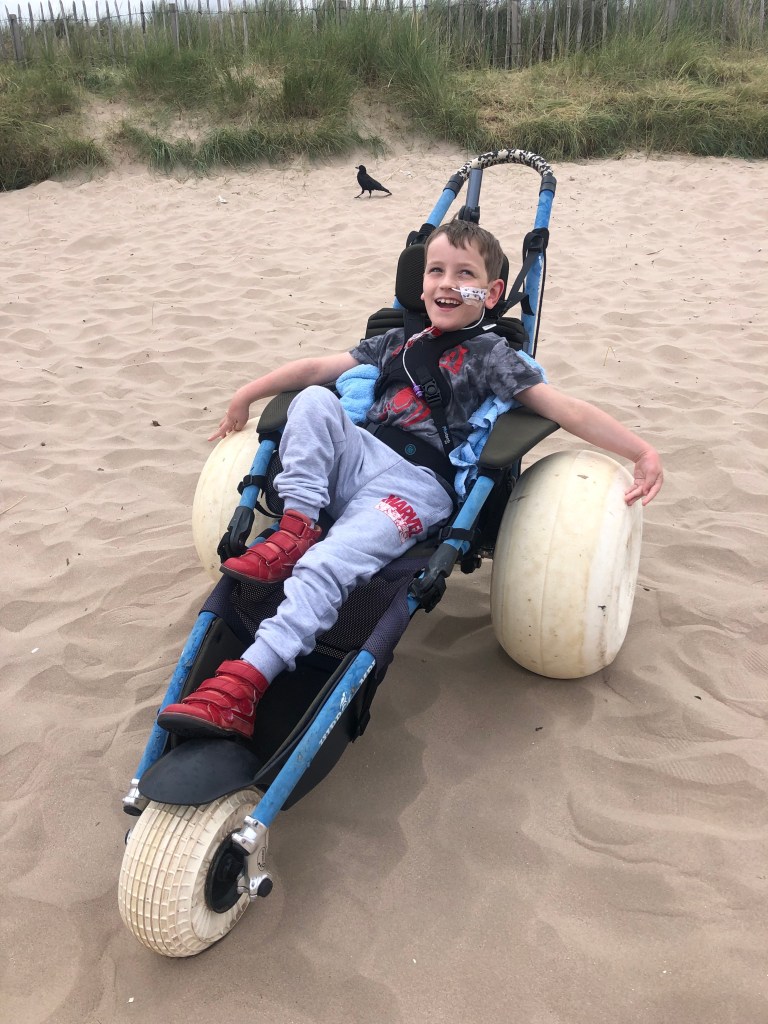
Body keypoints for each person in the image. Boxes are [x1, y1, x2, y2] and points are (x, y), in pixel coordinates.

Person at [158, 219, 663, 741]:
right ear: (420, 284)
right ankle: (296, 526)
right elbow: (314, 368)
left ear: (491, 294)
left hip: (415, 486)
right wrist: (246, 392)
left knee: (328, 563)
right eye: (436, 271)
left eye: (464, 274)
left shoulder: (494, 358)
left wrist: (640, 450)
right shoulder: (395, 341)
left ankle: (248, 678)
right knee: (313, 401)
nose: (447, 283)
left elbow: (566, 408)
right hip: (359, 458)